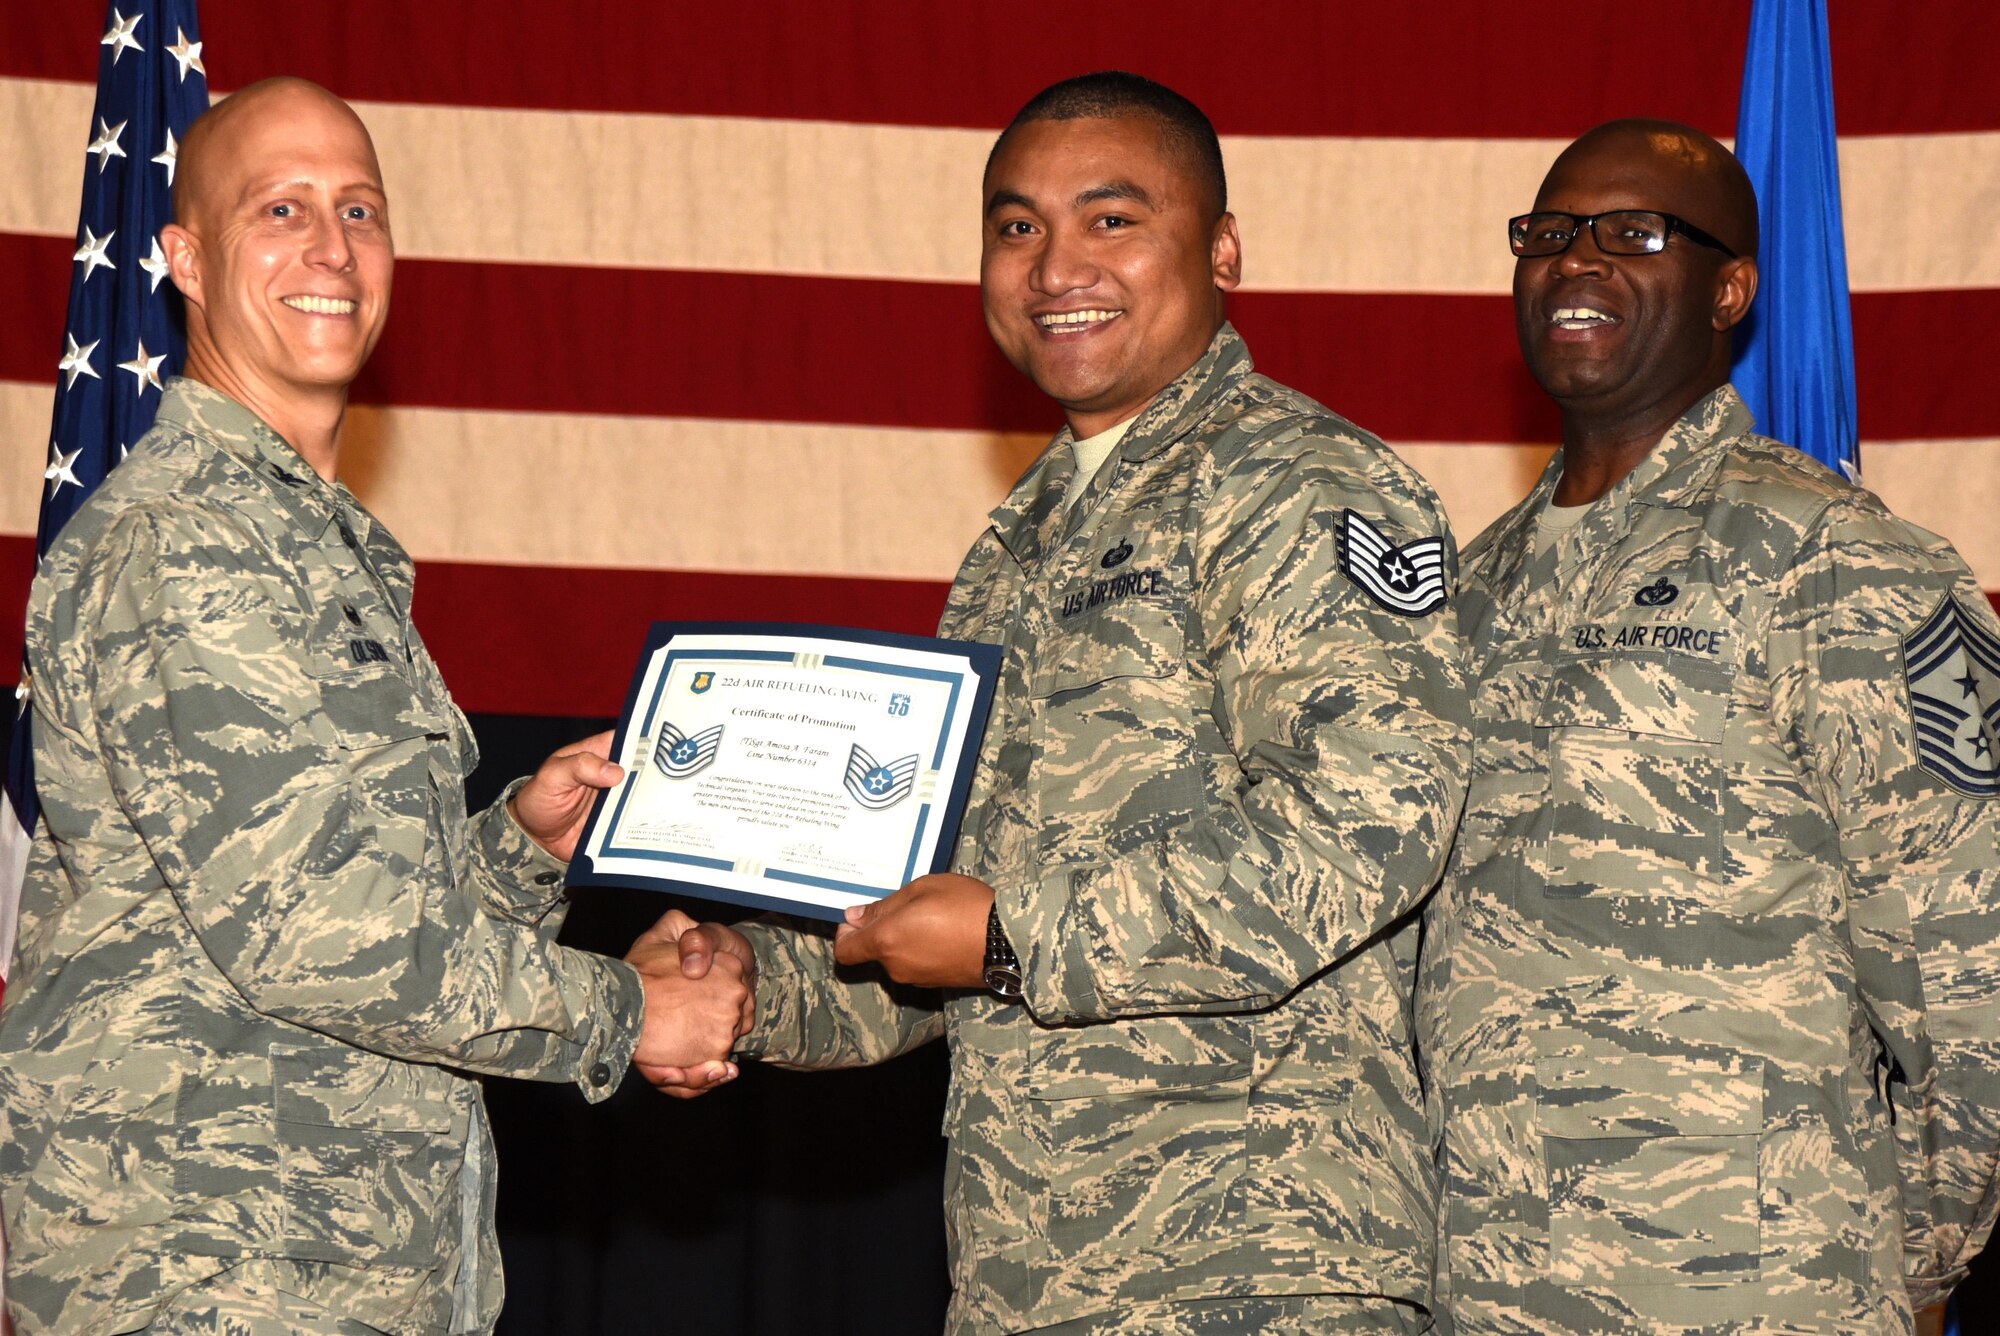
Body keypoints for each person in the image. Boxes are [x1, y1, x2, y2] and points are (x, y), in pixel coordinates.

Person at [654, 71, 1471, 1333]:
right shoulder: (1022, 542)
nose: (1054, 267)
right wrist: (751, 986)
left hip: (1258, 1262)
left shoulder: (1300, 485)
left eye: (1111, 219)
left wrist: (1009, 934)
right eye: (1016, 226)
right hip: (1032, 1269)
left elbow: (1362, 826)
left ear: (1222, 249)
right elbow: (942, 917)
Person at [0, 79, 749, 1334]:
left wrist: (518, 844)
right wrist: (629, 1011)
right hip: (209, 1268)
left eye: (361, 209)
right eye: (280, 209)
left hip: (340, 1258)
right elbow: (317, 935)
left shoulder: (312, 541)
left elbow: (339, 892)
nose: (332, 250)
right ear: (184, 256)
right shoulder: (189, 544)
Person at [1418, 119, 2000, 1334]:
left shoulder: (1835, 563)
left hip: (1750, 1284)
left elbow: (1966, 957)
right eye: (1547, 234)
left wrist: (1914, 1253)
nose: (1575, 261)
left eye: (1633, 233)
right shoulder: (1466, 596)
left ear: (1730, 288)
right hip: (1487, 1285)